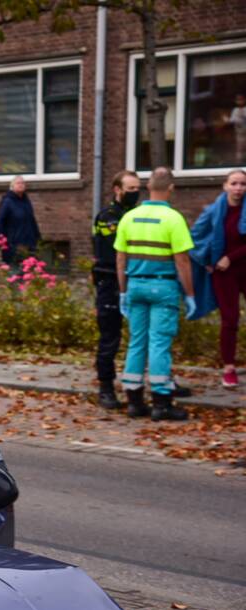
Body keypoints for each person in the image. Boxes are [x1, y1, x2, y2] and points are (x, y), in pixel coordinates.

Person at [115, 167, 195, 421]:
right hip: (163, 287)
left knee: (136, 342)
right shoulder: (174, 219)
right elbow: (182, 260)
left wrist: (123, 291)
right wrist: (190, 294)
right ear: (170, 188)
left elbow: (120, 258)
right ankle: (161, 403)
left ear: (148, 187)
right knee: (159, 343)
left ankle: (134, 401)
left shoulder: (130, 217)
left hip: (136, 286)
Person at [189, 169, 246, 388]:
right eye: (234, 183)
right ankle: (229, 368)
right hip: (224, 274)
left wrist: (229, 257)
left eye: (242, 184)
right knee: (229, 320)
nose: (238, 188)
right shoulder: (214, 211)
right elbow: (196, 237)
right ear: (225, 186)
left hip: (239, 265)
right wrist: (207, 261)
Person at [91, 170, 141, 409]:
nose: (135, 193)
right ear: (117, 190)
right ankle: (106, 387)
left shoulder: (136, 214)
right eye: (130, 189)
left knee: (146, 335)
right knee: (110, 336)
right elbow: (117, 250)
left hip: (135, 280)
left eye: (137, 188)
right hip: (110, 281)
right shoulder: (108, 216)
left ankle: (159, 382)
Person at [0, 175, 41, 265]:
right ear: (12, 186)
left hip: (29, 242)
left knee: (29, 271)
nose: (21, 185)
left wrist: (38, 238)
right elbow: (0, 223)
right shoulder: (7, 202)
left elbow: (32, 220)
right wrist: (2, 241)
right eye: (18, 183)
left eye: (23, 183)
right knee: (15, 272)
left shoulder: (26, 201)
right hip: (14, 244)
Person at [231, 94, 246, 163]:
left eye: (241, 99)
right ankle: (239, 163)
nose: (240, 101)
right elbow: (232, 120)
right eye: (238, 100)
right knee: (239, 150)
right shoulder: (235, 110)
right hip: (239, 133)